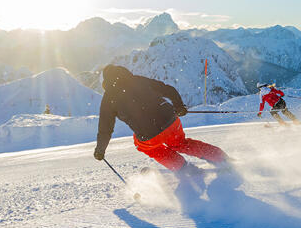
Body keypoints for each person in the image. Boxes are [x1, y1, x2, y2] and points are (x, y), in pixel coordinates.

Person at [94, 65, 227, 173]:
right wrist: (179, 106)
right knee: (180, 143)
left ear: (105, 81)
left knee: (144, 145)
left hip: (148, 135)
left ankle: (180, 166)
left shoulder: (108, 99)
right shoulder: (139, 80)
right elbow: (168, 89)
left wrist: (100, 150)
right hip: (171, 121)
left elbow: (105, 129)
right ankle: (218, 156)